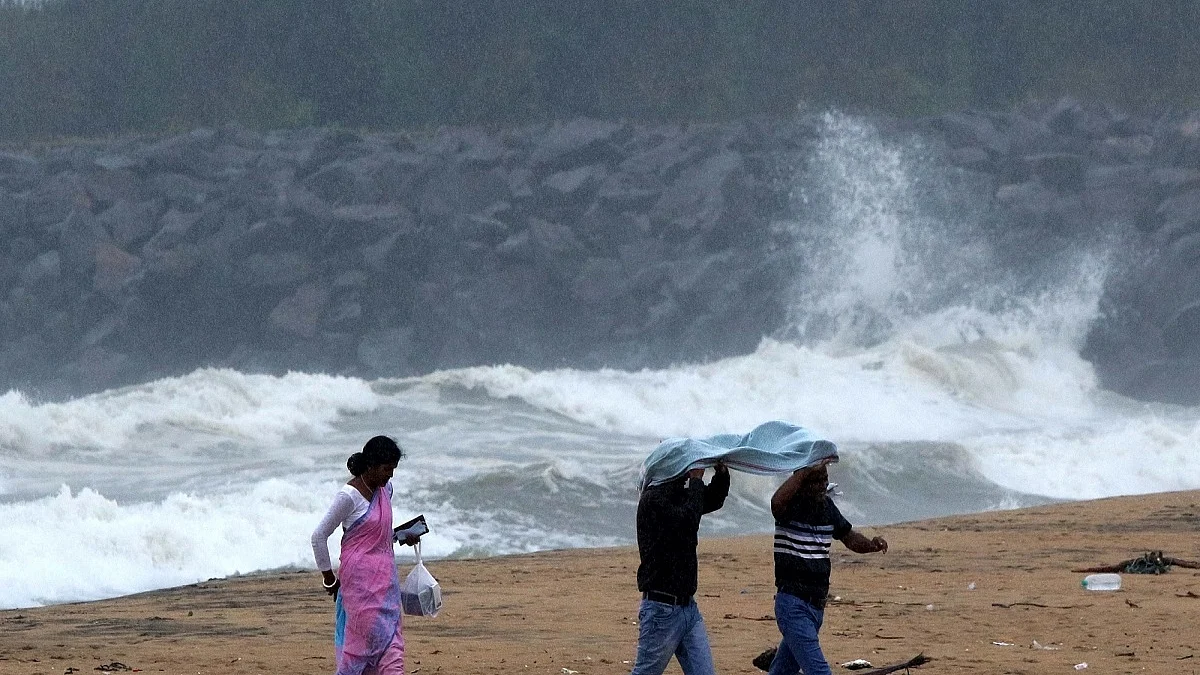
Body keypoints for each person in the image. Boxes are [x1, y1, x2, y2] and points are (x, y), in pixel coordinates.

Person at [311, 435, 421, 675]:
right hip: (359, 588)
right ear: (370, 466)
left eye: (393, 469)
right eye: (386, 469)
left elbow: (376, 534)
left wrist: (404, 536)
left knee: (391, 645)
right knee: (360, 647)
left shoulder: (385, 489)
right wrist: (329, 578)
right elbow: (318, 537)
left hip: (386, 585)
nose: (390, 475)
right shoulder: (348, 496)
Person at [766, 460, 887, 675]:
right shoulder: (789, 508)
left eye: (825, 479)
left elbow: (848, 536)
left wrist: (871, 545)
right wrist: (803, 471)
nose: (823, 485)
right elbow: (776, 502)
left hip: (816, 607)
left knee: (783, 670)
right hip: (793, 605)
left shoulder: (827, 507)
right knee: (819, 671)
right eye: (816, 481)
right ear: (802, 482)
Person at [629, 461, 730, 675]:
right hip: (661, 610)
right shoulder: (653, 501)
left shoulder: (677, 496)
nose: (685, 475)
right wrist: (695, 480)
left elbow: (712, 499)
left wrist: (721, 473)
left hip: (688, 608)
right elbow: (687, 521)